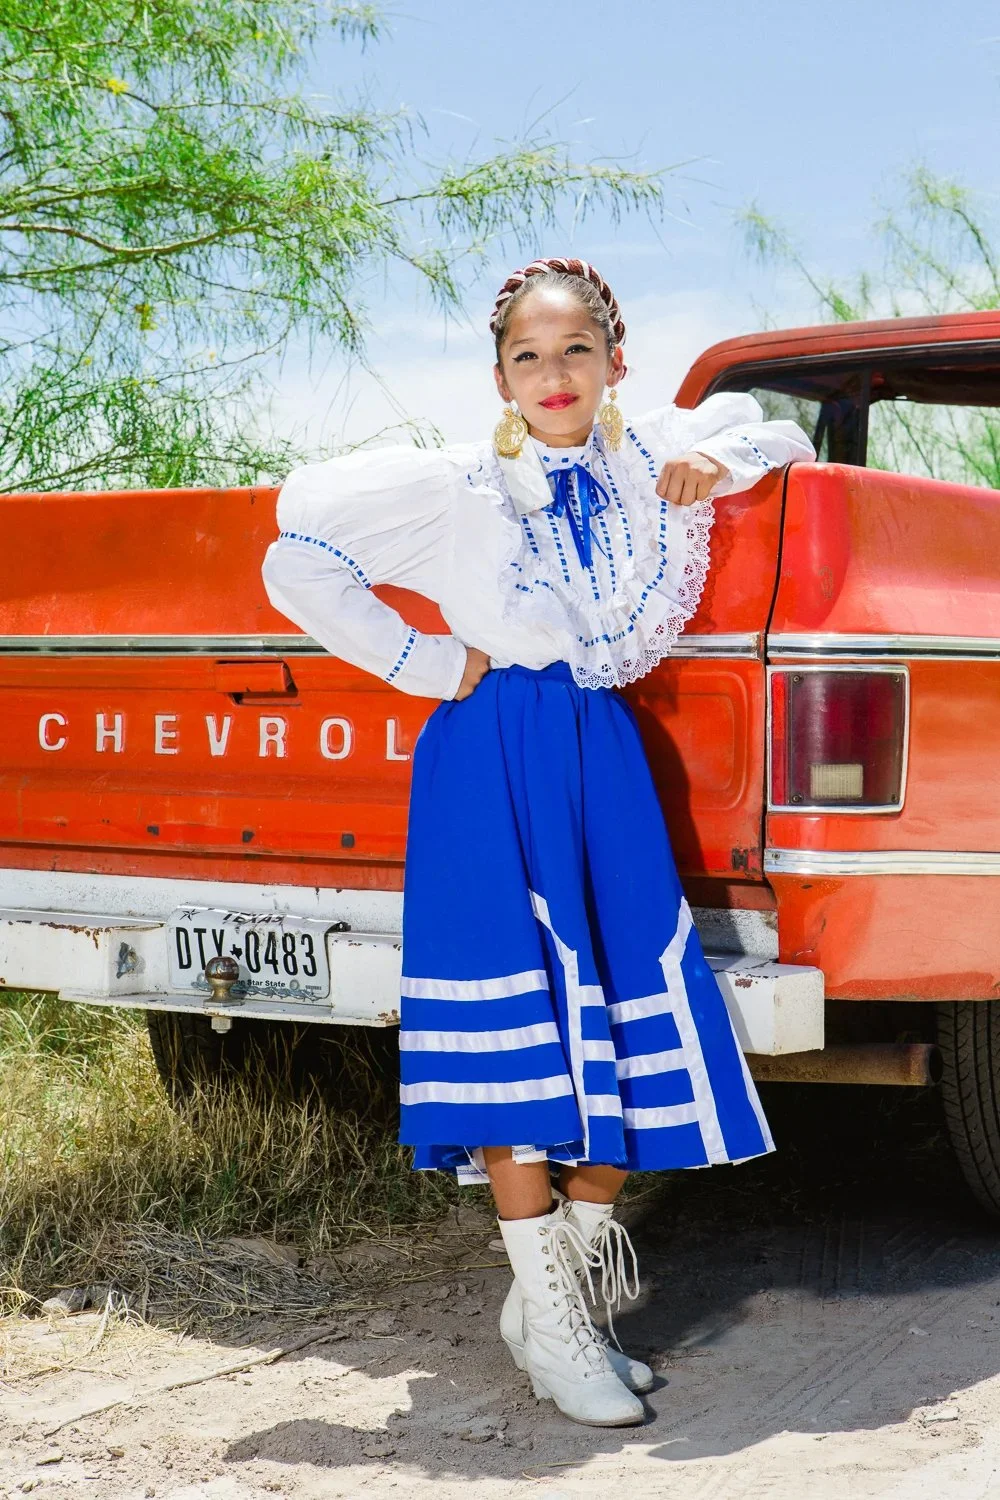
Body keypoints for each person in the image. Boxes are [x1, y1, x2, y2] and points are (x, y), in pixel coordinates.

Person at [261, 255, 816, 1428]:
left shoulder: (642, 459)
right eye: (526, 355)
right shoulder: (461, 483)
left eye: (574, 351)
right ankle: (557, 1327)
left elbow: (773, 433)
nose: (551, 375)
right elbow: (294, 548)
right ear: (498, 374)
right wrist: (426, 663)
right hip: (489, 752)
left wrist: (712, 458)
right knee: (514, 1030)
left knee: (623, 1008)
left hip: (599, 756)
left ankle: (550, 1302)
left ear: (616, 361)